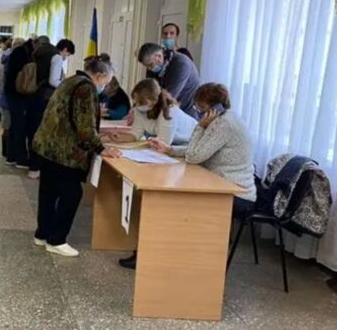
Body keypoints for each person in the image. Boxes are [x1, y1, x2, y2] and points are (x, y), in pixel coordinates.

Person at [116, 83, 256, 271]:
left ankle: (151, 255)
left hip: (236, 193)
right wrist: (171, 150)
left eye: (201, 108)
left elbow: (194, 156)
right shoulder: (223, 119)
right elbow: (198, 150)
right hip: (219, 183)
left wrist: (200, 127)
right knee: (167, 201)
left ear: (214, 108)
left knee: (170, 203)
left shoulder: (223, 124)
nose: (198, 113)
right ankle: (150, 254)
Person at [32, 56, 122, 257]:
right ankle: (56, 240)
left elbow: (70, 117)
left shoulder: (71, 80)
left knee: (48, 192)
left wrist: (101, 133)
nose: (105, 86)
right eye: (106, 81)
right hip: (65, 152)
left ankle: (42, 234)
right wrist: (101, 148)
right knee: (71, 194)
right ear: (100, 76)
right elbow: (84, 126)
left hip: (48, 146)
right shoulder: (86, 88)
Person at [26, 36, 75, 180]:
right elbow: (53, 81)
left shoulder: (40, 51)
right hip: (45, 99)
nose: (66, 57)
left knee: (32, 131)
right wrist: (67, 85)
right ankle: (37, 167)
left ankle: (32, 166)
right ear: (65, 49)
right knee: (42, 133)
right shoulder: (57, 57)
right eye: (68, 54)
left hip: (33, 95)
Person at [106, 78, 197, 145]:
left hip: (191, 142)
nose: (137, 106)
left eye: (141, 102)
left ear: (154, 100)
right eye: (135, 102)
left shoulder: (169, 111)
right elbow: (135, 134)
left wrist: (148, 143)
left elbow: (163, 143)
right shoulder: (139, 109)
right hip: (173, 145)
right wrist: (120, 137)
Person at [137, 42, 200, 119]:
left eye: (150, 65)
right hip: (171, 111)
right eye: (147, 66)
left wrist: (142, 110)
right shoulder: (154, 67)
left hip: (187, 113)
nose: (149, 69)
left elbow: (168, 97)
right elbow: (149, 91)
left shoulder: (181, 64)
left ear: (159, 56)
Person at [4, 38, 35, 169]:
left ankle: (11, 156)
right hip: (18, 94)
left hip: (12, 94)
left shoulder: (17, 52)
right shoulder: (22, 54)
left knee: (14, 127)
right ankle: (20, 159)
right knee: (19, 127)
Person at [0, 38, 22, 157]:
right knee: (9, 126)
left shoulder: (6, 57)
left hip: (5, 98)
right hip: (11, 98)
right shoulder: (15, 59)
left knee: (6, 126)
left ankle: (5, 151)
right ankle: (8, 151)